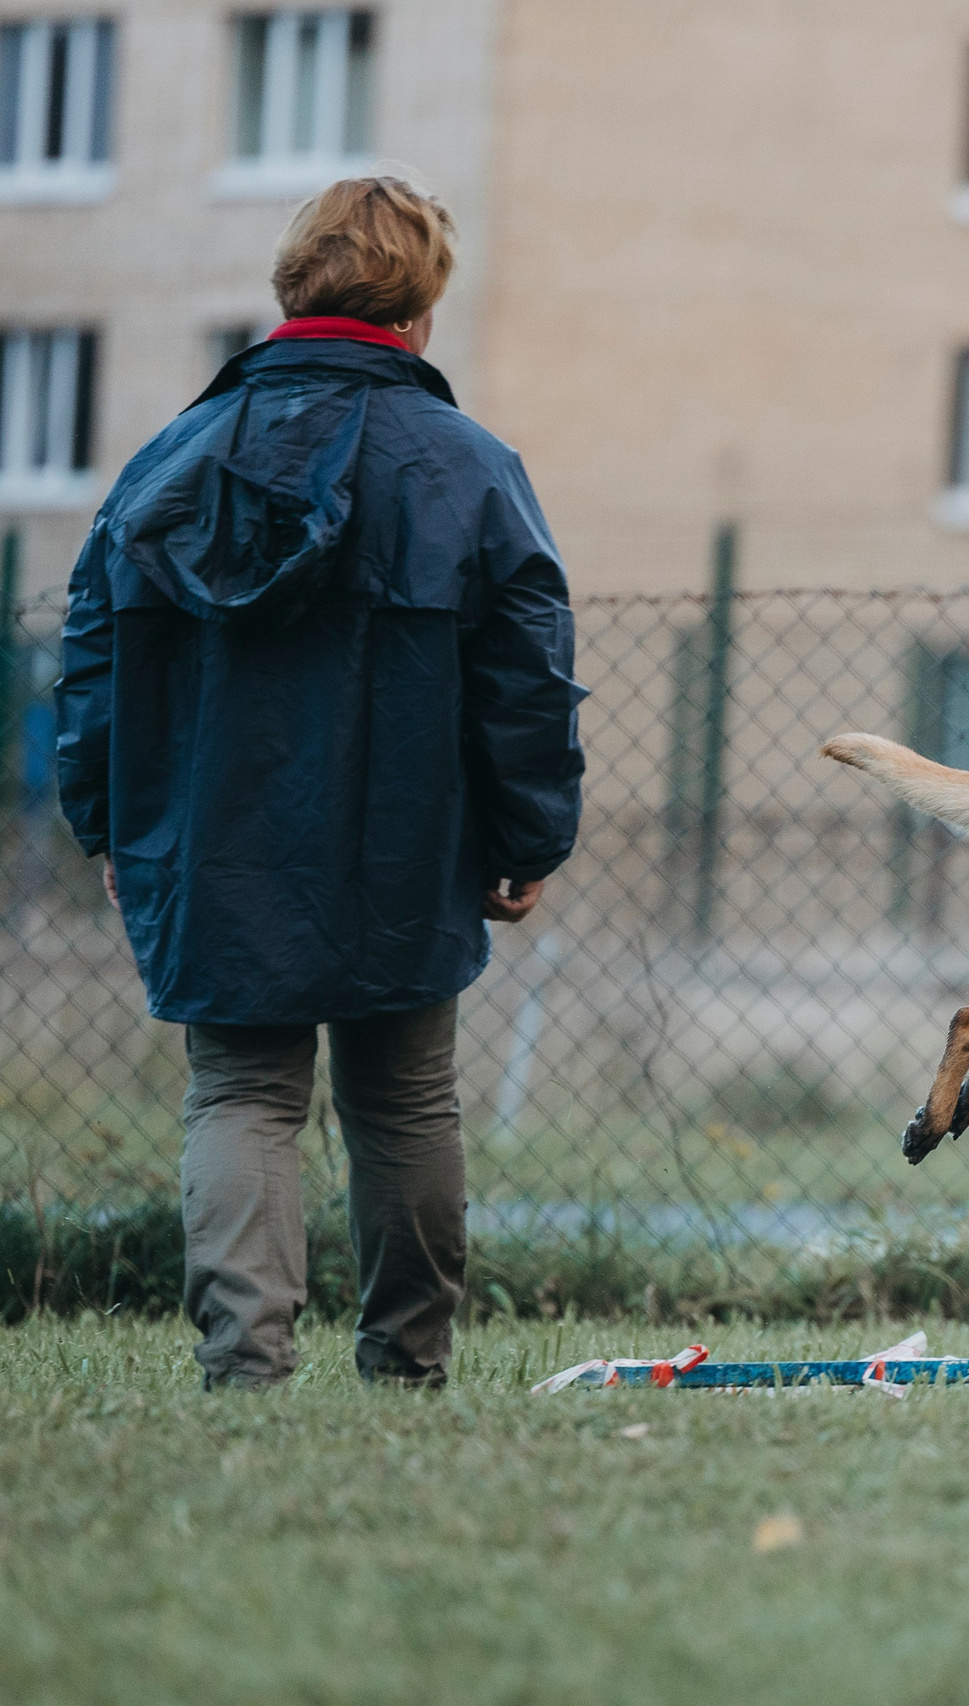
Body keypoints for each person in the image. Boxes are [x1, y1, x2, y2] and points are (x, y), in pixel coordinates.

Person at [53, 175, 583, 1389]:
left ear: (290, 284)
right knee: (404, 1100)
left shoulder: (166, 460)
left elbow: (90, 652)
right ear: (420, 307)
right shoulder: (467, 465)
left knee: (240, 1089)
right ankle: (406, 1363)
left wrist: (104, 815)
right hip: (408, 833)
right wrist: (530, 831)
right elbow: (528, 671)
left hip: (208, 830)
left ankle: (246, 1367)